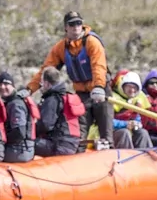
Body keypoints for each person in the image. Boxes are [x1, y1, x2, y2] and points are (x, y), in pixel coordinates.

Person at [27, 11, 114, 149]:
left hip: (101, 92)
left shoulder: (92, 42)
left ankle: (111, 155)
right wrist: (29, 89)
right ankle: (79, 159)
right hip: (81, 95)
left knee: (106, 133)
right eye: (72, 24)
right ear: (65, 27)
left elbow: (99, 66)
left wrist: (98, 86)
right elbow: (46, 71)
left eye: (79, 23)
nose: (76, 27)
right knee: (79, 134)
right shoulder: (61, 48)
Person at [35, 67, 85, 157]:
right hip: (72, 144)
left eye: (42, 82)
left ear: (46, 83)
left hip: (59, 146)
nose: (41, 85)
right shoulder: (65, 96)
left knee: (27, 144)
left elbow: (45, 125)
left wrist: (32, 131)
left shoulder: (52, 99)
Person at [0, 72, 37, 163]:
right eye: (0, 84)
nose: (2, 87)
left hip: (20, 150)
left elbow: (19, 133)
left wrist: (0, 139)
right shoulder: (11, 103)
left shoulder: (16, 104)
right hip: (20, 148)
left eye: (6, 84)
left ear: (13, 86)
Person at [108, 70, 154, 149]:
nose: (132, 90)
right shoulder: (112, 99)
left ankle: (145, 157)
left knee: (143, 133)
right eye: (129, 87)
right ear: (123, 87)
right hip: (111, 132)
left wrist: (137, 124)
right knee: (124, 132)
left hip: (129, 132)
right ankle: (125, 158)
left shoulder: (136, 100)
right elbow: (106, 122)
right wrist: (125, 124)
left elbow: (137, 117)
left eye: (134, 88)